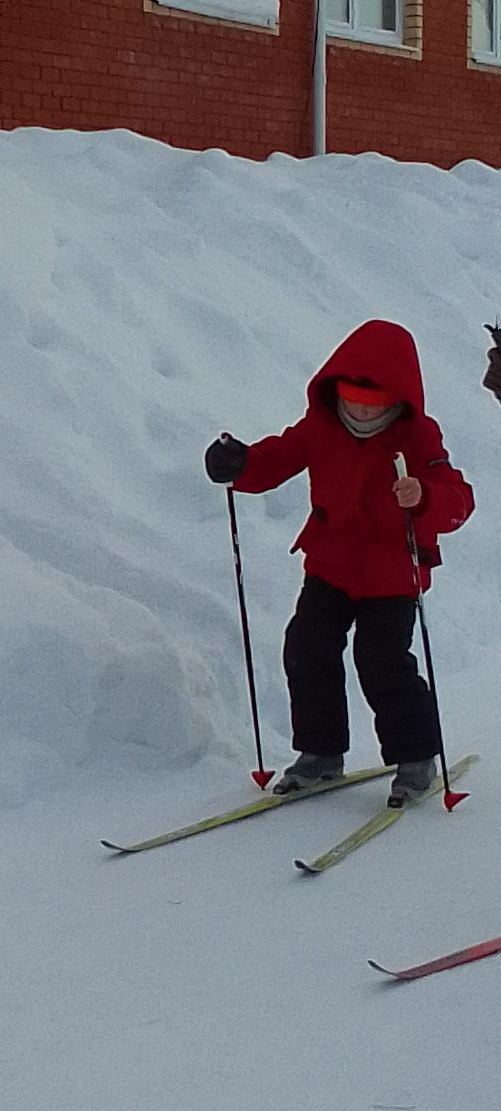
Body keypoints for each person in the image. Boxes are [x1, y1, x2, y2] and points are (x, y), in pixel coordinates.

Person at [204, 319, 474, 805]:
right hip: (331, 564)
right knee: (307, 646)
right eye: (350, 399)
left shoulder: (419, 437)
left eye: (372, 406)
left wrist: (424, 495)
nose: (358, 412)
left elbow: (459, 499)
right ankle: (320, 754)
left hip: (392, 573)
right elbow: (277, 458)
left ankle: (416, 758)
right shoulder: (321, 425)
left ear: (398, 400)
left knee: (382, 660)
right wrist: (238, 465)